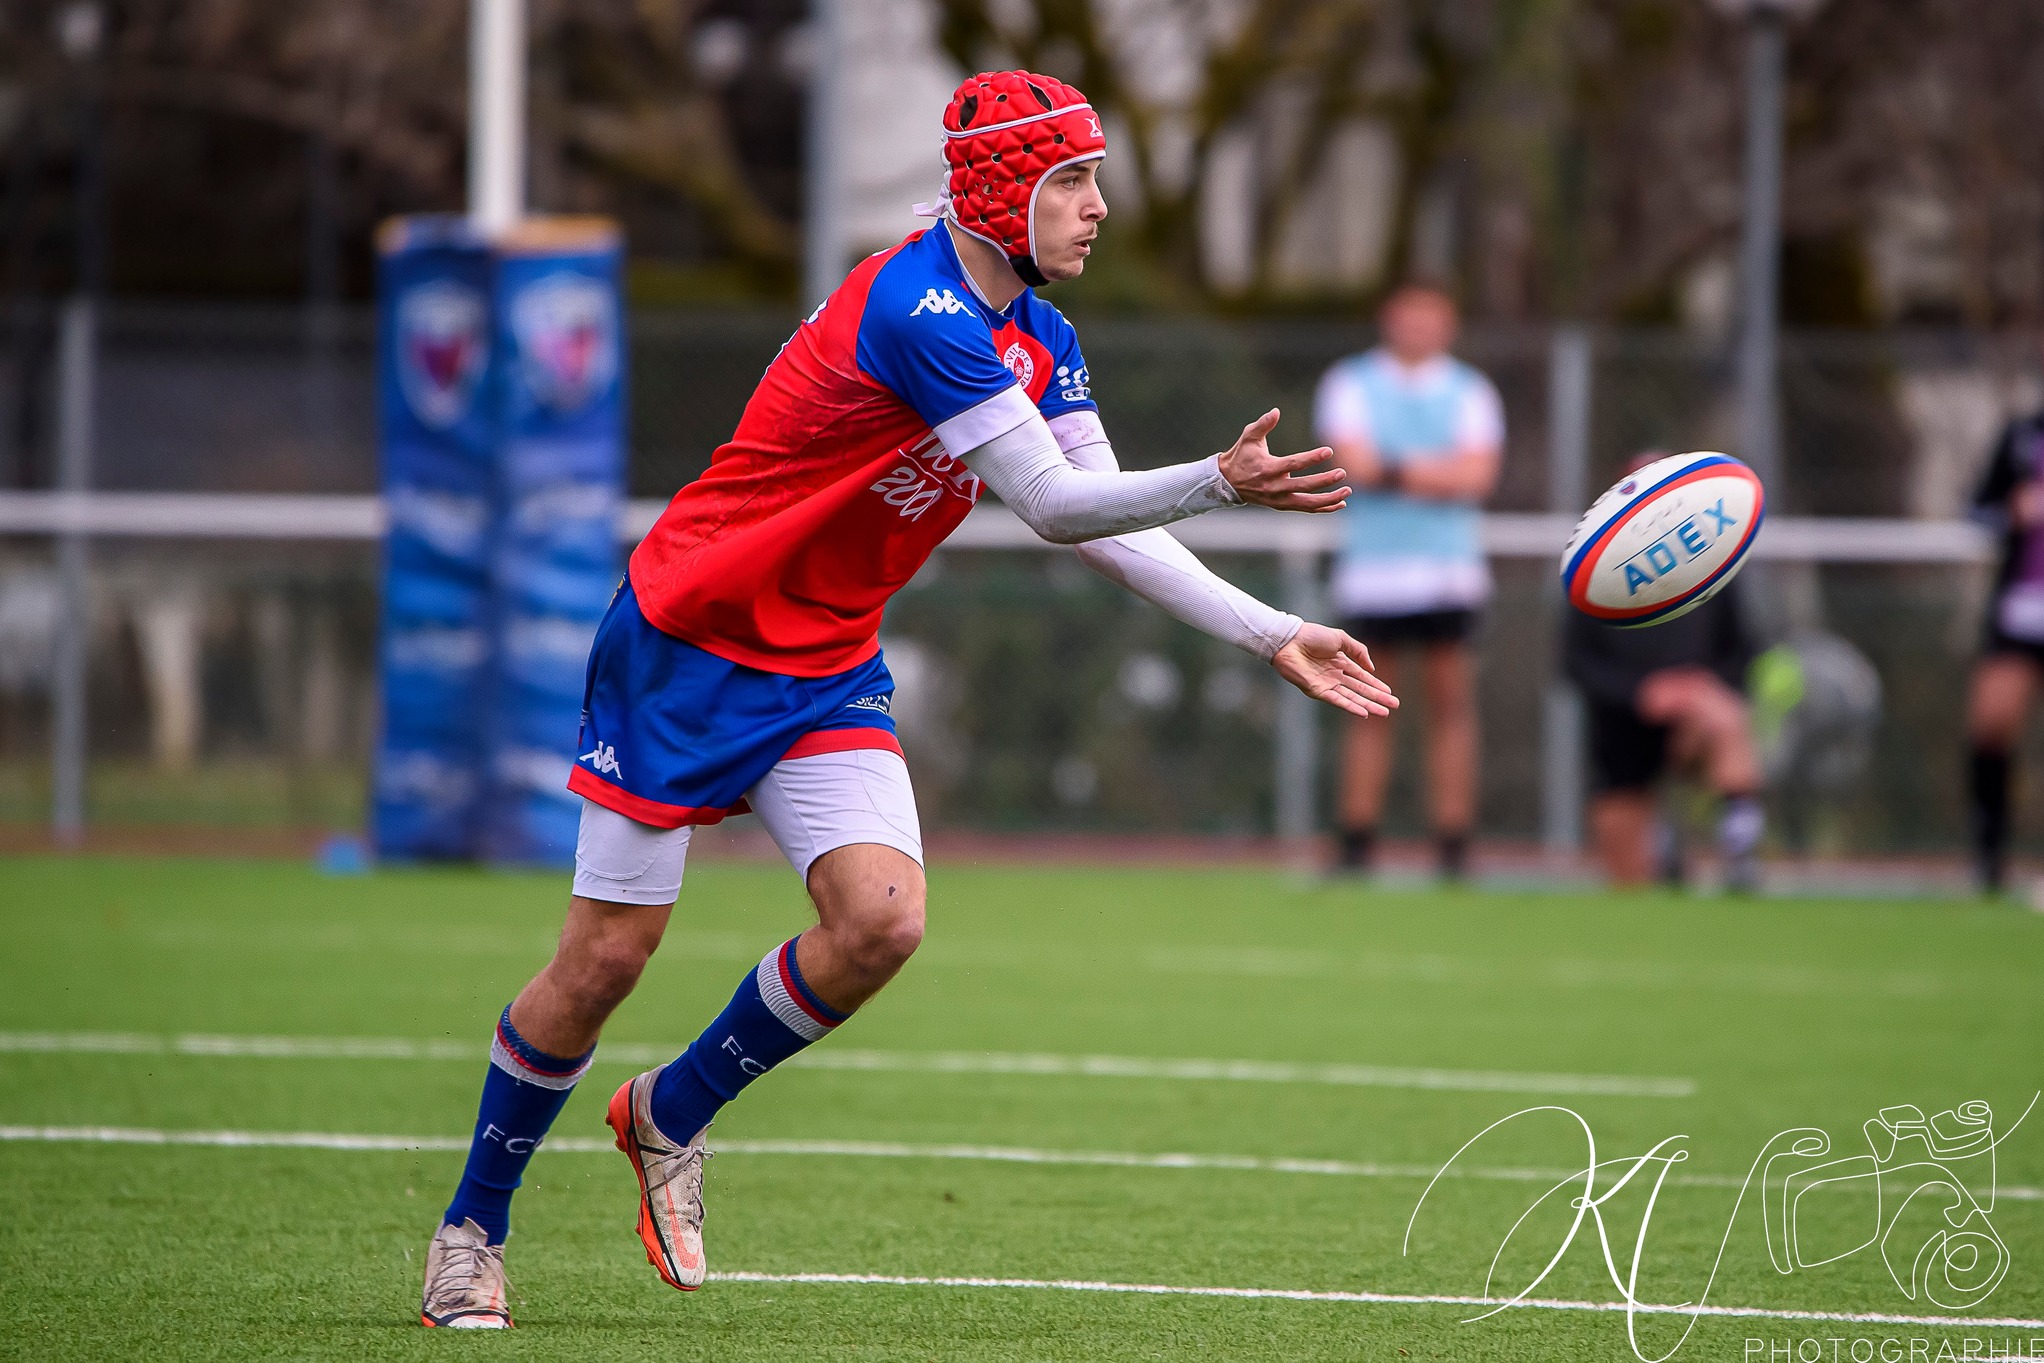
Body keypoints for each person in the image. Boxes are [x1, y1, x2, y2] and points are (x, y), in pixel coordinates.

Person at [418, 70, 1399, 1328]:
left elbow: (1105, 527)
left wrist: (1271, 633)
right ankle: (471, 1229)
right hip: (688, 645)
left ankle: (669, 1112)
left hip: (823, 663)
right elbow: (1052, 507)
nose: (1097, 207)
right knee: (605, 958)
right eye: (1072, 182)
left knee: (880, 920)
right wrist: (1215, 478)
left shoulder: (1039, 335)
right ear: (1001, 193)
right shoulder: (919, 307)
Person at [1314, 285, 1503, 879]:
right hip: (1374, 571)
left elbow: (1476, 476)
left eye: (1432, 317)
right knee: (1368, 705)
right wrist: (1432, 472)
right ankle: (1357, 838)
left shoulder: (1471, 391)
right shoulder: (1349, 382)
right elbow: (1353, 464)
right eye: (1408, 315)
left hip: (1449, 571)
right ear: (1388, 320)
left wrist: (1393, 469)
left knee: (1450, 707)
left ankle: (1453, 843)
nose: (1418, 327)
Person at [1563, 453, 1765, 890]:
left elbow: (1743, 652)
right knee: (1631, 883)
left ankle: (1739, 845)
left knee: (1726, 718)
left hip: (1690, 724)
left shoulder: (1710, 569)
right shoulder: (1597, 582)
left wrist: (1698, 685)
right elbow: (1575, 665)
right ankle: (1665, 844)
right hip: (1621, 730)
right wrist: (1641, 692)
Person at [1963, 349, 2044, 893]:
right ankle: (1989, 858)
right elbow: (1976, 508)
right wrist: (2010, 514)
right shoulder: (2021, 435)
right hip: (2022, 612)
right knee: (1991, 723)